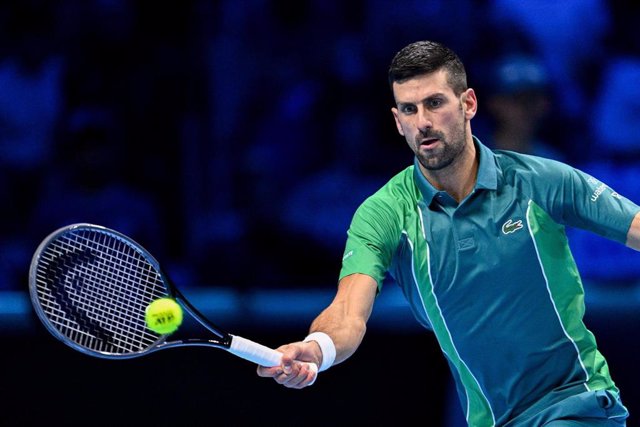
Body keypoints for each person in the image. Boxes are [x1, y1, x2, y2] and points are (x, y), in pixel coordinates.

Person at [256, 40, 640, 426]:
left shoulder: (542, 180)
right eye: (409, 109)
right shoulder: (383, 214)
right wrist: (317, 348)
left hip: (575, 405)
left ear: (468, 104)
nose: (422, 121)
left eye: (435, 103)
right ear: (397, 120)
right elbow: (347, 312)